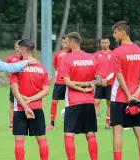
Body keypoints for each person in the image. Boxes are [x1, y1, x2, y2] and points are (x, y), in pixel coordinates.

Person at [59, 32, 101, 160]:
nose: (65, 45)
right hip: (89, 101)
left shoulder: (66, 58)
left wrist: (79, 87)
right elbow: (99, 79)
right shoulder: (91, 58)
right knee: (90, 134)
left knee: (69, 134)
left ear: (72, 43)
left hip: (73, 102)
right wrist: (90, 84)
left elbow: (67, 82)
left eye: (66, 42)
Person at [110, 21, 140, 160]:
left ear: (123, 32)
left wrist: (128, 95)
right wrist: (137, 93)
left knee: (117, 131)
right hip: (136, 98)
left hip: (120, 97)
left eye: (115, 32)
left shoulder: (117, 52)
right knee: (138, 129)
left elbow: (119, 77)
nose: (113, 35)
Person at [10, 39, 49, 160]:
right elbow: (46, 90)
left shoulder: (17, 68)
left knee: (19, 141)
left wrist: (25, 105)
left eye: (18, 49)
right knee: (41, 140)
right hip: (37, 108)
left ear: (23, 50)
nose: (17, 51)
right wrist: (31, 99)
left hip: (20, 109)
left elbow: (15, 91)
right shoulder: (42, 68)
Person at [47, 37, 68, 130]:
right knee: (54, 102)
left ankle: (69, 123)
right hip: (59, 82)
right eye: (63, 42)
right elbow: (56, 66)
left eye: (66, 42)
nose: (64, 44)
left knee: (69, 104)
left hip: (69, 83)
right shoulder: (57, 54)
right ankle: (52, 124)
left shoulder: (72, 54)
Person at [93, 36, 113, 130]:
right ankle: (94, 123)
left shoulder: (113, 54)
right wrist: (100, 80)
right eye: (102, 43)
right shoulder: (96, 55)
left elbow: (115, 70)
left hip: (110, 82)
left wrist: (107, 79)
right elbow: (94, 69)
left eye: (106, 42)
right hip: (99, 82)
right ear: (100, 44)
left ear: (109, 43)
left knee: (109, 103)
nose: (104, 44)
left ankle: (108, 123)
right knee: (96, 102)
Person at [6, 40, 21, 131]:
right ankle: (12, 124)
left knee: (25, 104)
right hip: (14, 86)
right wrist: (12, 81)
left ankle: (25, 122)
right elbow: (6, 72)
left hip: (25, 86)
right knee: (12, 105)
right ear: (15, 47)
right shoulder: (11, 58)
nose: (18, 49)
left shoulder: (25, 58)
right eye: (17, 47)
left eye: (20, 47)